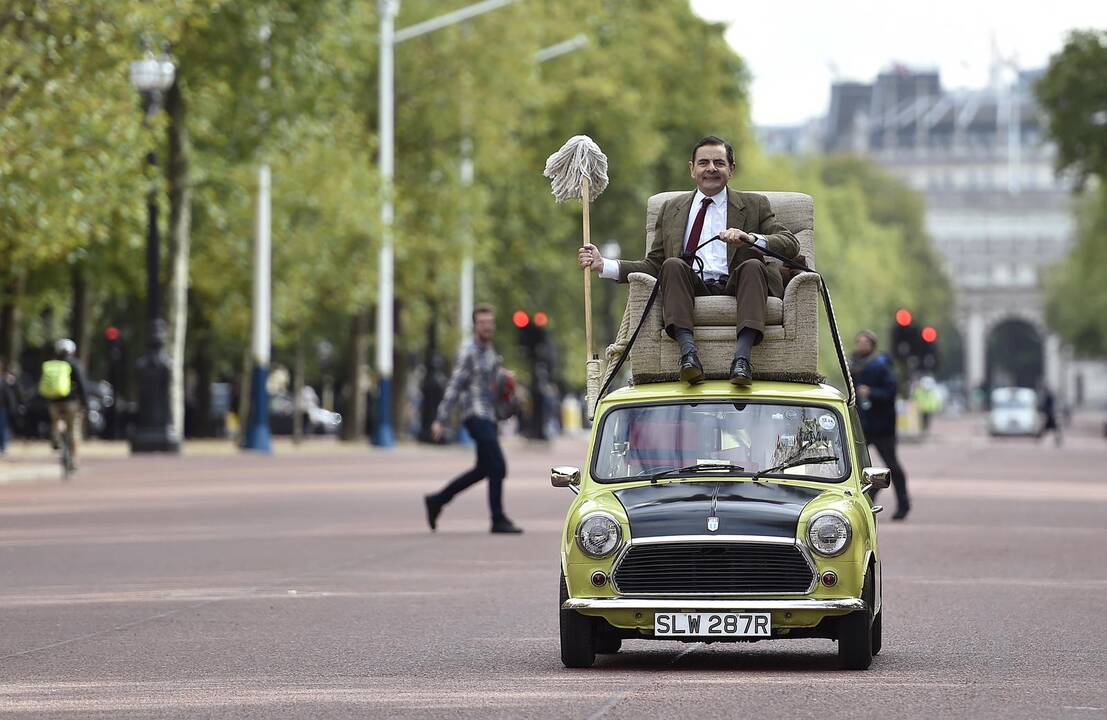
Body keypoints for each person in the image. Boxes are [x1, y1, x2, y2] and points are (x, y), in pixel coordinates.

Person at [578, 135, 799, 386]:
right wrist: (603, 264)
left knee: (753, 265)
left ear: (732, 169)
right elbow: (654, 265)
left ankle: (742, 359)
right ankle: (688, 355)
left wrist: (750, 238)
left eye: (719, 162)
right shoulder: (671, 208)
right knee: (671, 265)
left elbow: (790, 244)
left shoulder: (755, 204)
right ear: (692, 169)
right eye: (703, 163)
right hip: (691, 284)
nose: (711, 168)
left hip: (739, 283)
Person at [424, 305, 523, 534]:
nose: (487, 326)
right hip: (474, 414)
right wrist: (441, 419)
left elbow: (493, 384)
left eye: (490, 322)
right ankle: (498, 519)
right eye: (482, 323)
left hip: (488, 415)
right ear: (474, 325)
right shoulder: (468, 351)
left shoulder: (489, 351)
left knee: (483, 469)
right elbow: (455, 385)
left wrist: (506, 379)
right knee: (498, 466)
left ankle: (437, 500)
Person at [850, 330, 910, 520]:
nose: (861, 346)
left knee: (891, 464)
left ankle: (903, 503)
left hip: (883, 425)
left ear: (872, 345)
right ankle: (864, 498)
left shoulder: (882, 364)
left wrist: (871, 393)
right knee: (853, 464)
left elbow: (891, 392)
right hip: (863, 425)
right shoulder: (852, 364)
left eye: (865, 342)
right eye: (859, 342)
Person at [40, 339, 89, 471]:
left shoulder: (51, 365)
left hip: (54, 401)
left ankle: (56, 436)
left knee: (57, 421)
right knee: (74, 429)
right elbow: (83, 386)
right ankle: (73, 460)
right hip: (71, 402)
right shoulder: (75, 364)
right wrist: (85, 403)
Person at [0, 359, 15, 456]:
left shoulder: (5, 379)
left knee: (3, 427)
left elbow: (9, 395)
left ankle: (3, 447)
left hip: (2, 407)